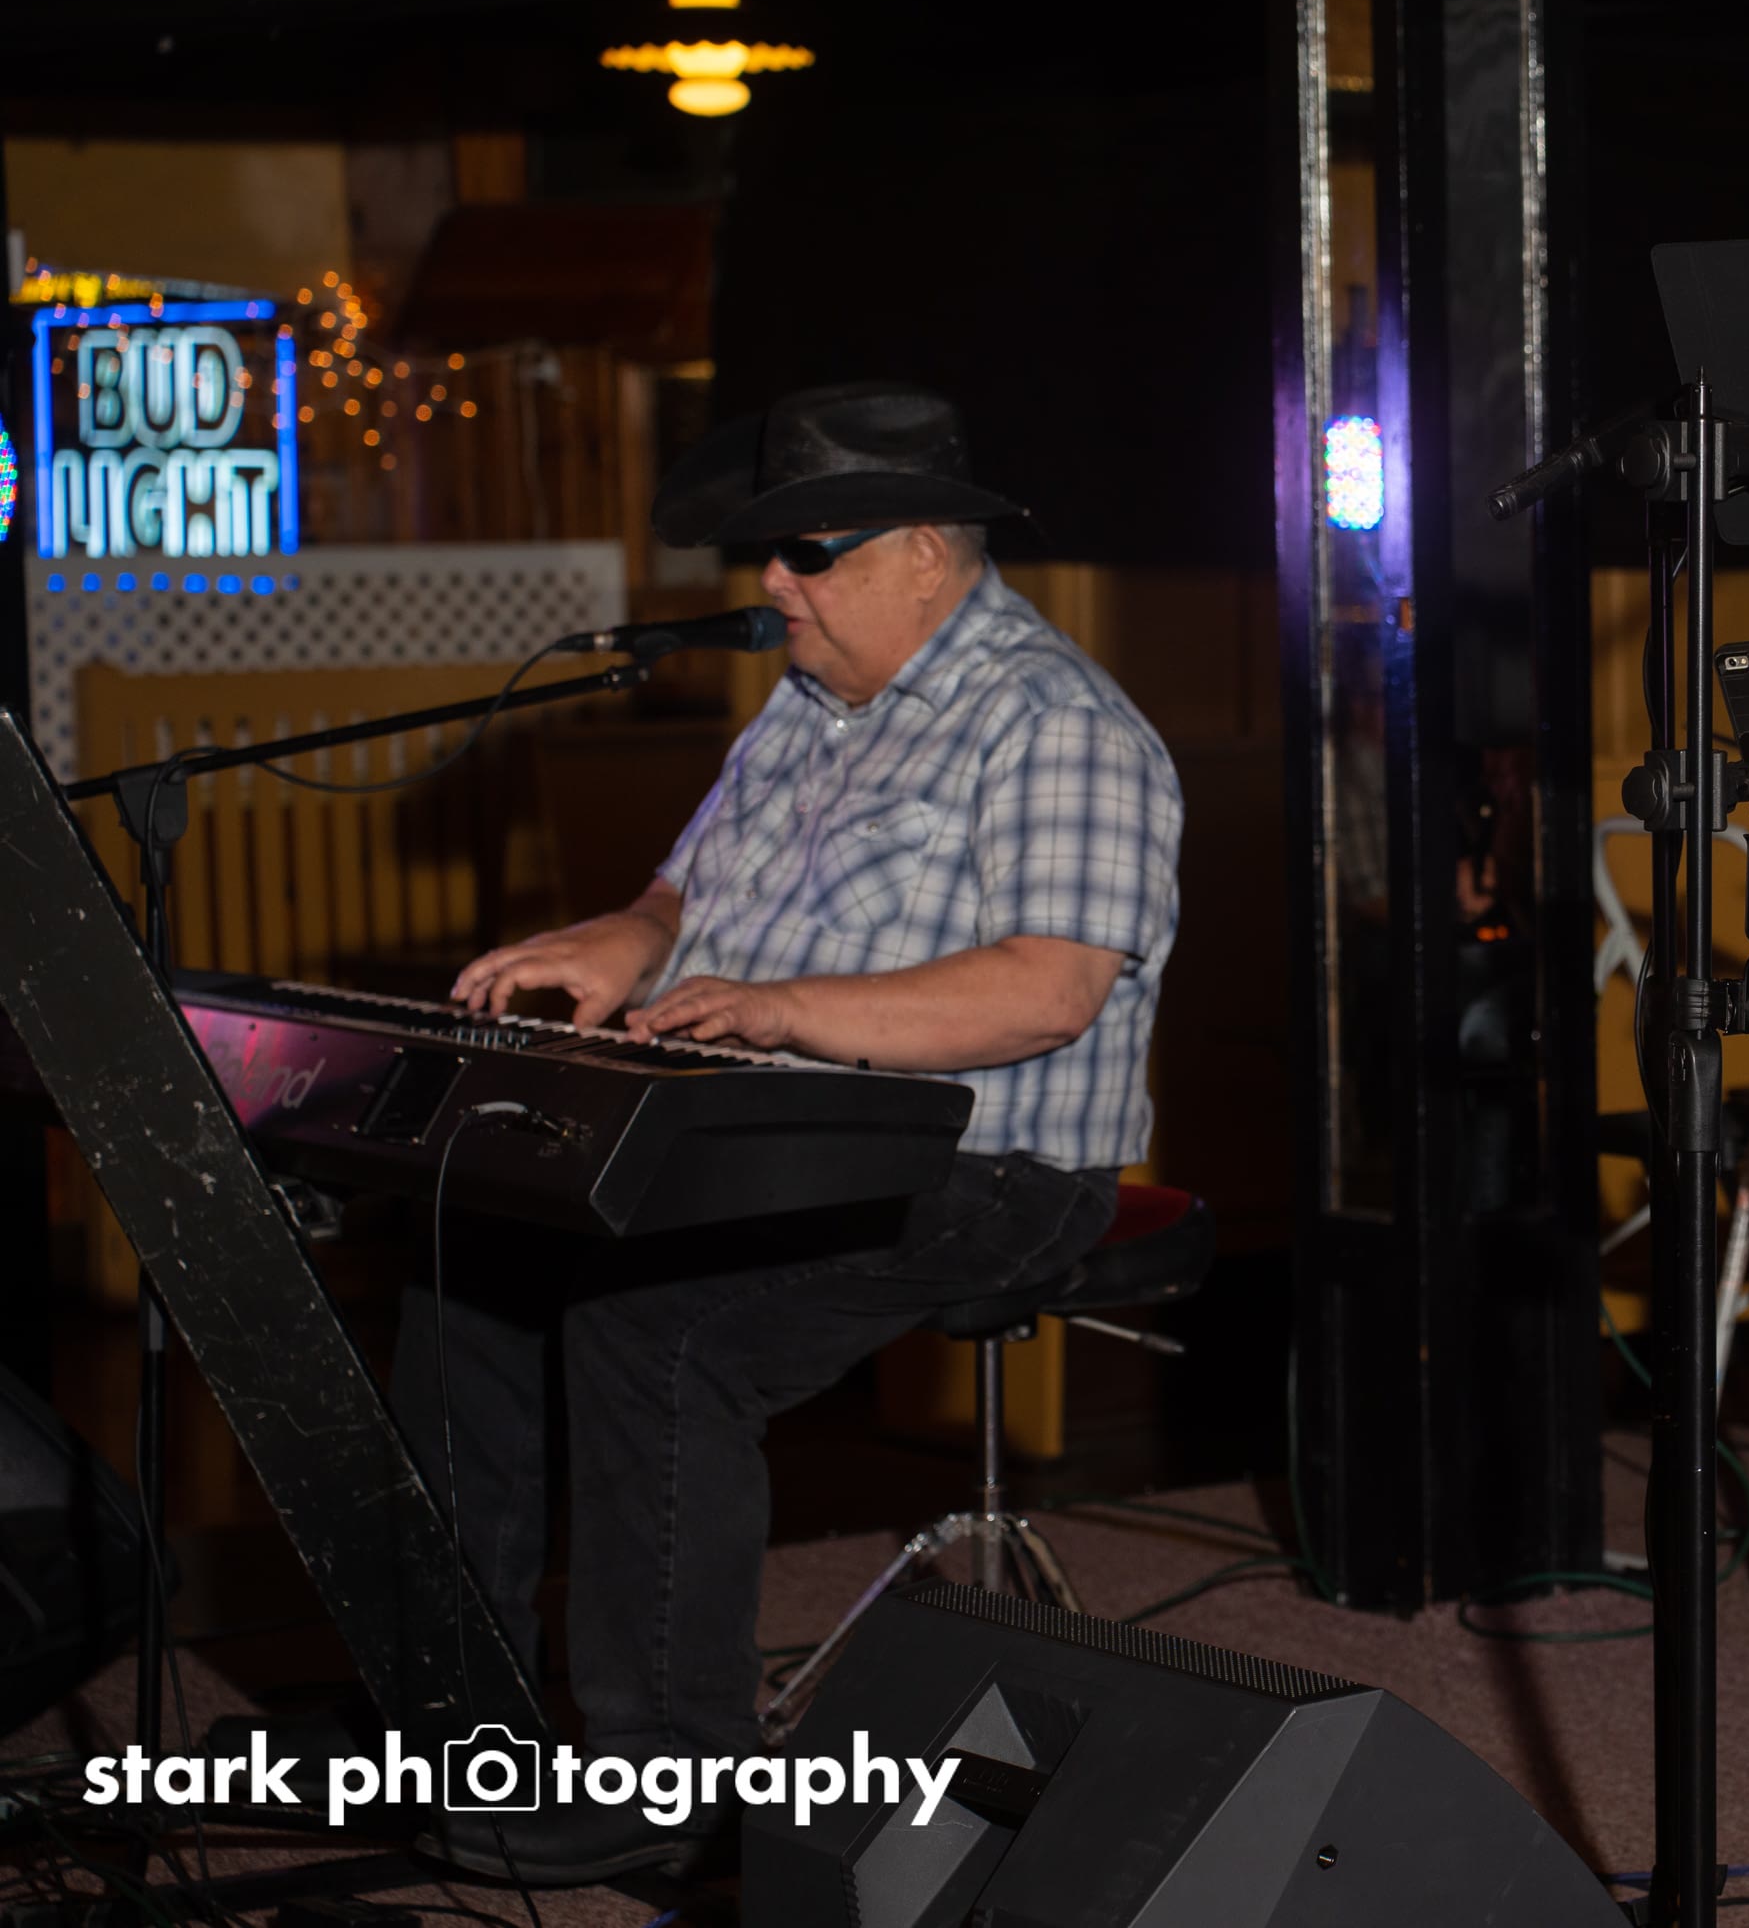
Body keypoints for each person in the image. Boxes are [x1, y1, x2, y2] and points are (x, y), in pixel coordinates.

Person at [397, 383, 1183, 1883]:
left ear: (926, 555)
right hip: (767, 1137)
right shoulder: (806, 712)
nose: (773, 580)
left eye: (810, 550)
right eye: (770, 550)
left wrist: (778, 1010)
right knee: (469, 1260)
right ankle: (457, 1716)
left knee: (659, 1332)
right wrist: (631, 938)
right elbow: (681, 896)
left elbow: (1047, 990)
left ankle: (670, 1780)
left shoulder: (1056, 722)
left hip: (985, 1166)